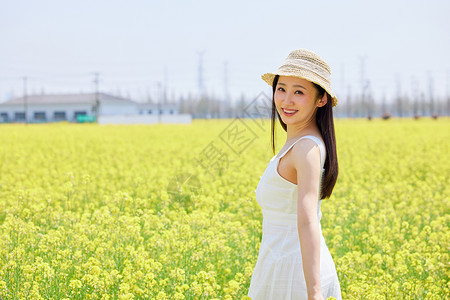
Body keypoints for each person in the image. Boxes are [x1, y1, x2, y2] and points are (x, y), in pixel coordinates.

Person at [247, 49, 342, 300]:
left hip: (294, 275)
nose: (286, 100)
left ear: (321, 100)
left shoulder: (305, 148)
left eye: (299, 92)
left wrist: (314, 293)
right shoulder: (299, 143)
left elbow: (308, 220)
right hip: (281, 264)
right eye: (281, 89)